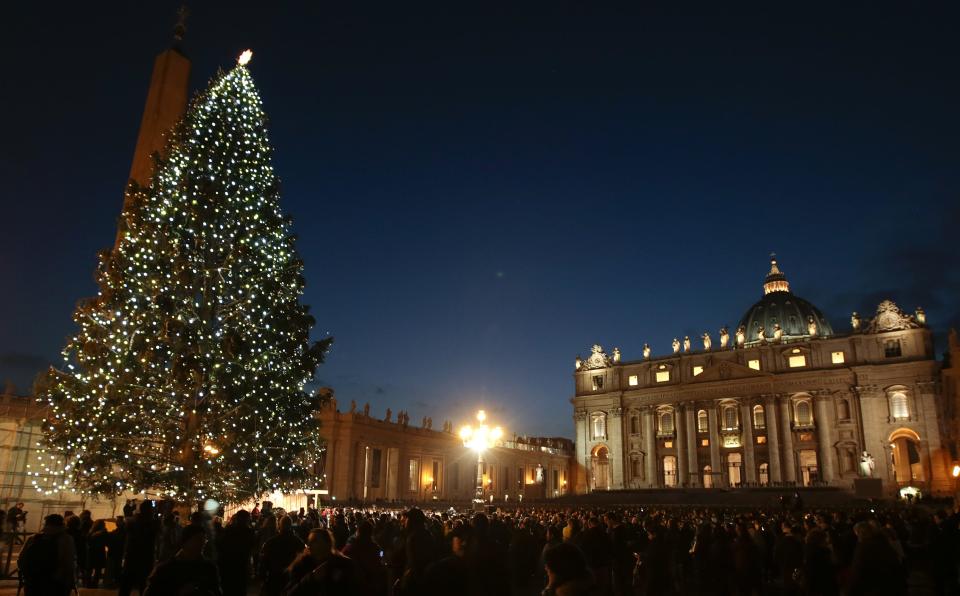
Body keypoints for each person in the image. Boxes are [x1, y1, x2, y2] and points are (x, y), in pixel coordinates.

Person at [143, 523, 222, 596]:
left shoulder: (209, 568)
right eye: (197, 539)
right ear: (185, 542)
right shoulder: (166, 569)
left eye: (204, 540)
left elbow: (217, 592)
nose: (201, 544)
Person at [283, 527, 360, 595]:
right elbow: (290, 592)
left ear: (327, 544)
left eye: (314, 541)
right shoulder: (301, 564)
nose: (309, 544)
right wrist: (311, 578)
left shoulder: (343, 564)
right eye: (309, 541)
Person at [17, 513, 76, 596]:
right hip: (55, 582)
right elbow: (68, 562)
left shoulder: (33, 538)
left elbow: (21, 559)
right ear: (62, 524)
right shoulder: (67, 539)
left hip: (33, 581)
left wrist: (27, 576)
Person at [423, 523, 479, 596]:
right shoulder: (439, 569)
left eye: (469, 539)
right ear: (453, 541)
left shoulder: (483, 568)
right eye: (461, 538)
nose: (464, 543)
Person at [119, 500, 160, 596]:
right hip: (145, 557)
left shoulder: (133, 522)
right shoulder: (151, 524)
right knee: (143, 584)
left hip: (132, 556)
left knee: (127, 584)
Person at [259, 515, 305, 596]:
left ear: (280, 525)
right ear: (290, 525)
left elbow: (264, 561)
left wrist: (262, 577)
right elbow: (304, 556)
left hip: (274, 576)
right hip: (290, 576)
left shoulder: (271, 542)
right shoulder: (297, 541)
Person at [341, 519, 387, 596]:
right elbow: (381, 555)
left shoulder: (351, 546)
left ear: (358, 531)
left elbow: (342, 559)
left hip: (355, 583)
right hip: (371, 583)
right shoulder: (375, 547)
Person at [217, 509, 257, 596]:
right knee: (240, 589)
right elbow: (252, 549)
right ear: (247, 519)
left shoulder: (229, 530)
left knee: (228, 589)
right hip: (241, 564)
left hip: (228, 564)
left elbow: (220, 545)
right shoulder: (249, 532)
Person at [86, 519, 110, 588]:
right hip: (100, 552)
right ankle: (95, 584)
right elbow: (107, 542)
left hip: (91, 552)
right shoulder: (104, 533)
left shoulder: (91, 532)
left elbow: (87, 541)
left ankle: (88, 583)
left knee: (89, 569)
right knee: (98, 569)